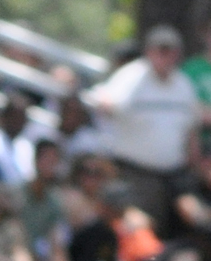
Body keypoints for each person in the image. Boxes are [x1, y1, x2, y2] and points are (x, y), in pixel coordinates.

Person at [84, 26, 198, 222]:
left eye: (170, 51)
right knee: (143, 230)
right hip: (137, 173)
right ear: (149, 52)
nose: (165, 56)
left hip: (174, 174)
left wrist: (193, 164)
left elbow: (191, 128)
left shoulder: (183, 84)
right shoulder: (131, 76)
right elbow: (106, 101)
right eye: (160, 50)